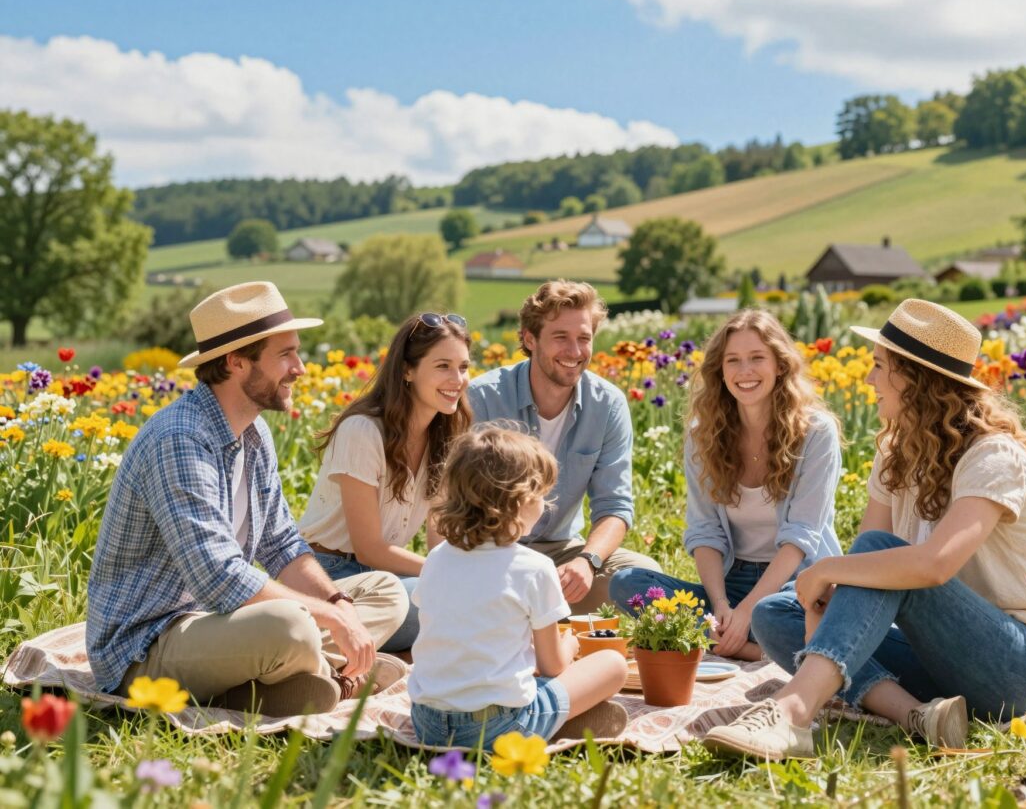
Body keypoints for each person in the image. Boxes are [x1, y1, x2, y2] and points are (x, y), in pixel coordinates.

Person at [703, 299, 1026, 759]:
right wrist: (824, 604)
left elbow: (933, 566)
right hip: (941, 658)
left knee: (882, 555)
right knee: (774, 615)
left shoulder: (992, 455)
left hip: (1025, 670)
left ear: (915, 377)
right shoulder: (895, 453)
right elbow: (864, 563)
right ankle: (920, 716)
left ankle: (792, 712)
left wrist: (829, 571)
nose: (869, 379)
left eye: (879, 365)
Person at [87, 282, 408, 717]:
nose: (300, 368)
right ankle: (320, 674)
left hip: (220, 625)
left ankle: (288, 682)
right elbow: (218, 578)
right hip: (147, 644)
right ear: (236, 361)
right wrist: (330, 620)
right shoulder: (179, 439)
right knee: (292, 626)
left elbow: (283, 546)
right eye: (286, 354)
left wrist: (339, 607)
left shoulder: (255, 434)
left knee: (385, 592)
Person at [610, 309, 842, 660]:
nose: (744, 371)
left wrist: (748, 610)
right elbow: (705, 530)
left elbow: (801, 537)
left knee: (774, 616)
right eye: (733, 360)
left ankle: (731, 643)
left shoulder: (816, 433)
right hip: (731, 582)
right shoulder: (703, 436)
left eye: (757, 358)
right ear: (720, 370)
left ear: (780, 365)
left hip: (794, 584)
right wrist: (720, 605)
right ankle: (748, 645)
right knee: (627, 584)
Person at [408, 424, 629, 749]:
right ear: (518, 501)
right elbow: (552, 666)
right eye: (540, 494)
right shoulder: (534, 567)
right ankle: (556, 722)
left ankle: (557, 719)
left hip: (428, 723)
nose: (545, 503)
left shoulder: (437, 558)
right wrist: (570, 644)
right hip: (498, 726)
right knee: (612, 664)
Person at [468, 280, 660, 614]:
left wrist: (588, 561)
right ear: (530, 339)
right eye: (560, 337)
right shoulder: (483, 399)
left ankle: (539, 613)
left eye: (584, 338)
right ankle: (535, 615)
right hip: (491, 553)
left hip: (563, 554)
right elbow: (462, 504)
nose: (575, 351)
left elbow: (615, 505)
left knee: (645, 579)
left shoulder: (608, 405)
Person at [299, 313, 472, 652]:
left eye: (463, 367)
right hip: (330, 575)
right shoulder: (363, 431)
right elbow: (369, 548)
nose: (457, 379)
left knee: (461, 601)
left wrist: (466, 572)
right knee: (440, 605)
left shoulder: (445, 438)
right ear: (407, 371)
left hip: (386, 578)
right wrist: (448, 575)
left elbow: (440, 541)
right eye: (443, 366)